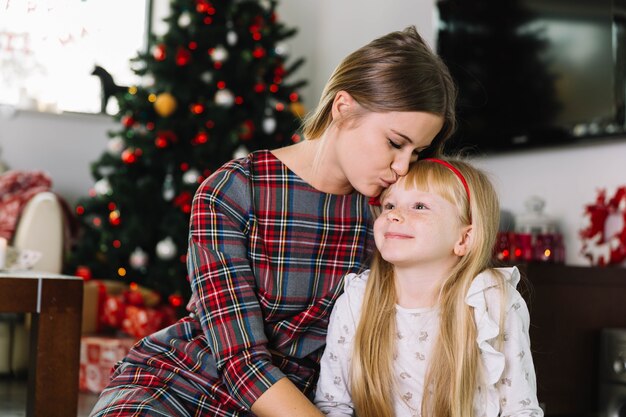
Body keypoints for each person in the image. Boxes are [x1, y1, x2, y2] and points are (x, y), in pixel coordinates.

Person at [89, 26, 456, 417]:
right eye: (395, 143)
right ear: (343, 107)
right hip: (182, 385)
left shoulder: (390, 218)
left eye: (416, 153)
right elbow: (241, 361)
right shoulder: (232, 190)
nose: (402, 167)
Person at [314, 158, 543, 417]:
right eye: (389, 204)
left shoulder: (492, 301)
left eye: (419, 206)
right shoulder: (358, 299)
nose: (393, 214)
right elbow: (332, 406)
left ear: (464, 238)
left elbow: (521, 410)